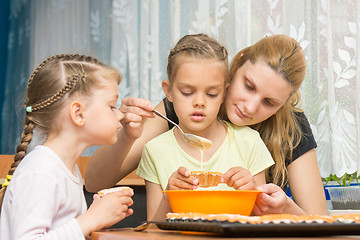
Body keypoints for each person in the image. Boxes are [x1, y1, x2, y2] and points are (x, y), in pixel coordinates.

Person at [85, 34, 327, 216]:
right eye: (249, 86)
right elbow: (95, 183)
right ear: (238, 64)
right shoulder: (181, 110)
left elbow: (318, 224)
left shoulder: (290, 128)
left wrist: (283, 205)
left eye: (269, 102)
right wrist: (127, 134)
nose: (250, 107)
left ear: (284, 103)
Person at [134, 34, 274, 220]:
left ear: (224, 93)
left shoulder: (249, 143)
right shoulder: (155, 151)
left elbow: (262, 221)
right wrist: (170, 197)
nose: (199, 102)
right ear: (168, 91)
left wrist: (251, 190)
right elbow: (152, 230)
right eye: (187, 92)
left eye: (211, 94)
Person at [0, 54, 135, 239]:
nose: (120, 114)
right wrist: (91, 219)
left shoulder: (66, 169)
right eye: (111, 106)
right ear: (78, 113)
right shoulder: (41, 171)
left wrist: (100, 217)